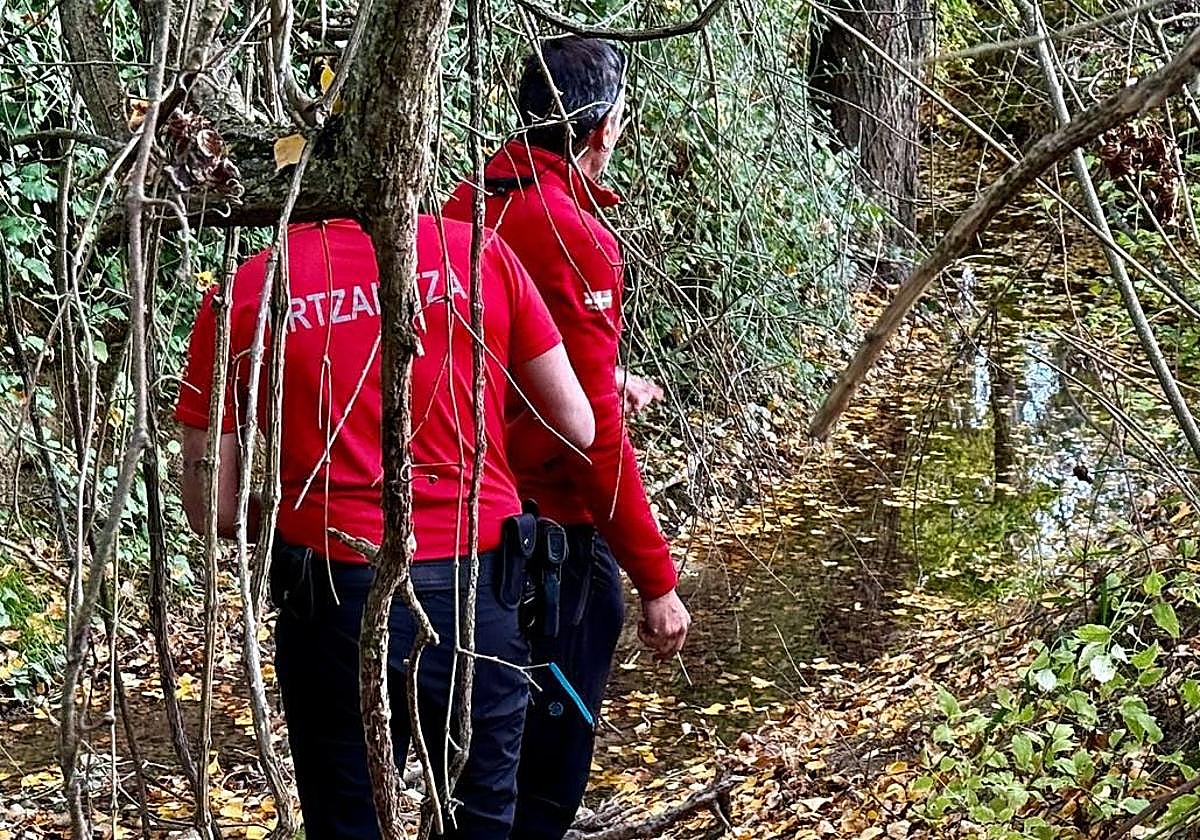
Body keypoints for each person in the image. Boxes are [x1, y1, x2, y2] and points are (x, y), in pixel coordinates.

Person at [175, 217, 594, 839]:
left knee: (348, 812)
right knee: (480, 810)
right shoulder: (479, 253)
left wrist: (298, 503)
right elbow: (577, 426)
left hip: (332, 597)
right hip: (476, 590)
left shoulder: (250, 287)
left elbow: (215, 506)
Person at [444, 36, 691, 839]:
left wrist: (600, 380)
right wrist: (659, 578)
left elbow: (492, 351)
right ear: (604, 128)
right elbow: (592, 440)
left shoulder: (468, 204)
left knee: (480, 749)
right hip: (538, 528)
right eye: (622, 114)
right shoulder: (569, 231)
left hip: (461, 519)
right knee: (544, 756)